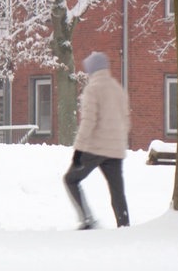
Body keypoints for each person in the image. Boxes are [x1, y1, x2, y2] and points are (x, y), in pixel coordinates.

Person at [64, 52, 131, 230]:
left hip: (94, 148)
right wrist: (119, 141)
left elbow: (88, 121)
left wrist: (78, 150)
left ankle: (87, 220)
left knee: (70, 179)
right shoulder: (118, 88)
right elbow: (126, 120)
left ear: (91, 69)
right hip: (115, 150)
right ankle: (124, 225)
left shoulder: (92, 89)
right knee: (117, 191)